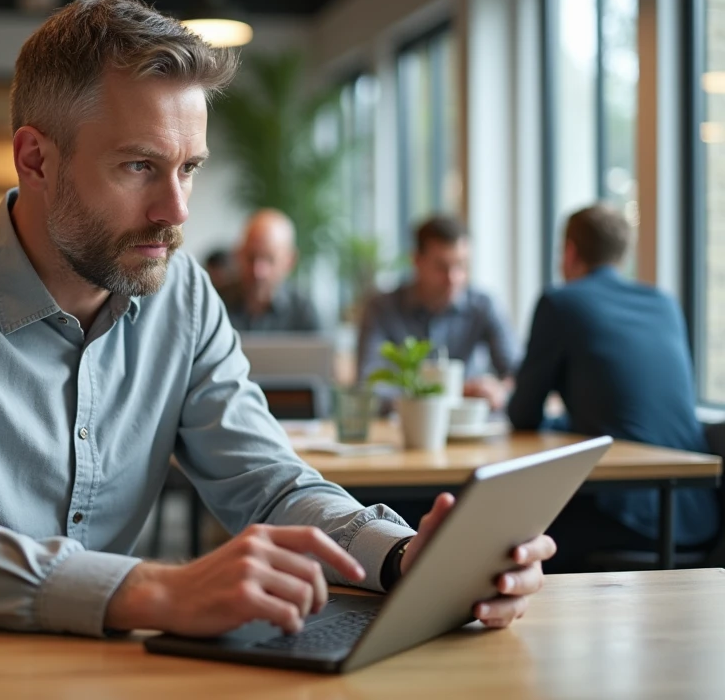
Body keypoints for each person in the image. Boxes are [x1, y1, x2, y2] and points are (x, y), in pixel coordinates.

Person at [0, 0, 553, 639]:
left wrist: (400, 557)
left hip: (89, 669)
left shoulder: (179, 294)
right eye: (139, 167)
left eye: (189, 168)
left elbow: (269, 485)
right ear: (36, 160)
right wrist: (154, 591)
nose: (176, 210)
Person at [508, 205, 719, 569]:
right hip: (701, 516)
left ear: (570, 251)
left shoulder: (561, 302)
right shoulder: (664, 304)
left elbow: (523, 415)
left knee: (509, 537)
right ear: (622, 253)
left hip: (627, 519)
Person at [357, 216, 518, 410]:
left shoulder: (483, 306)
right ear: (417, 261)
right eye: (442, 267)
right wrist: (450, 393)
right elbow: (369, 386)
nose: (453, 279)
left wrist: (500, 390)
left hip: (471, 430)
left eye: (461, 265)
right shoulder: (382, 308)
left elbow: (519, 373)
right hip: (405, 431)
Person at [217, 209, 324, 333]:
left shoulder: (303, 311)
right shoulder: (215, 302)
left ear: (289, 261)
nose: (258, 271)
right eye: (251, 257)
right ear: (239, 253)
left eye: (269, 259)